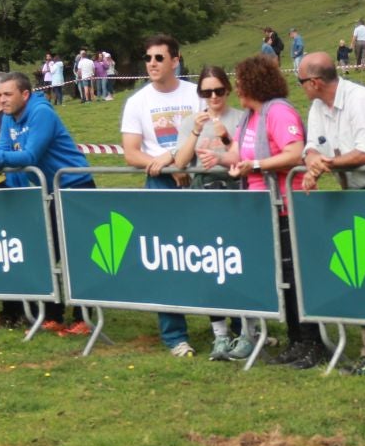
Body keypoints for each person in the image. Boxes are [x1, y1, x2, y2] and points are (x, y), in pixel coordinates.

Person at [0, 72, 92, 335]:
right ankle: (53, 314)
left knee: (75, 256)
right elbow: (8, 157)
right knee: (42, 254)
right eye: (0, 95)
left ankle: (84, 318)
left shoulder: (41, 113)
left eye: (8, 94)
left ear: (25, 94)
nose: (2, 100)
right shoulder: (10, 117)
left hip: (72, 187)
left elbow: (29, 155)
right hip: (42, 190)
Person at [300, 54, 365, 374]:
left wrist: (325, 164)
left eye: (301, 81)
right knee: (363, 274)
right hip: (353, 195)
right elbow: (312, 145)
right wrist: (314, 158)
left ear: (314, 83)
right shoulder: (318, 107)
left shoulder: (360, 101)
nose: (300, 87)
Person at [212, 54, 310, 364]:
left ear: (254, 82)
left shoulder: (279, 112)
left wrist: (254, 165)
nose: (236, 88)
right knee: (282, 278)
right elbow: (238, 154)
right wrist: (215, 157)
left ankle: (312, 343)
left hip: (287, 206)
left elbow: (295, 154)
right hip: (262, 208)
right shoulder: (249, 117)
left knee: (295, 279)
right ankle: (296, 341)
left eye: (240, 82)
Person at [120, 35, 204, 355]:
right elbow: (131, 153)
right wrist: (167, 164)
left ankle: (234, 328)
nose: (152, 64)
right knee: (165, 258)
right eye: (148, 58)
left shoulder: (195, 95)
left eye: (158, 58)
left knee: (213, 252)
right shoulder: (137, 102)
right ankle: (175, 336)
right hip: (160, 185)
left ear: (175, 60)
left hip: (197, 180)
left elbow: (208, 135)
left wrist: (175, 158)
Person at [182, 64, 253, 360]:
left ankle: (249, 332)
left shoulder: (241, 118)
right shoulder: (191, 122)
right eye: (206, 91)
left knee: (242, 265)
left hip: (236, 196)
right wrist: (197, 130)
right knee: (210, 266)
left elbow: (246, 160)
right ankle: (220, 335)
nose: (213, 96)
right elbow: (181, 162)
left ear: (228, 90)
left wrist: (224, 141)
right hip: (202, 197)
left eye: (219, 90)